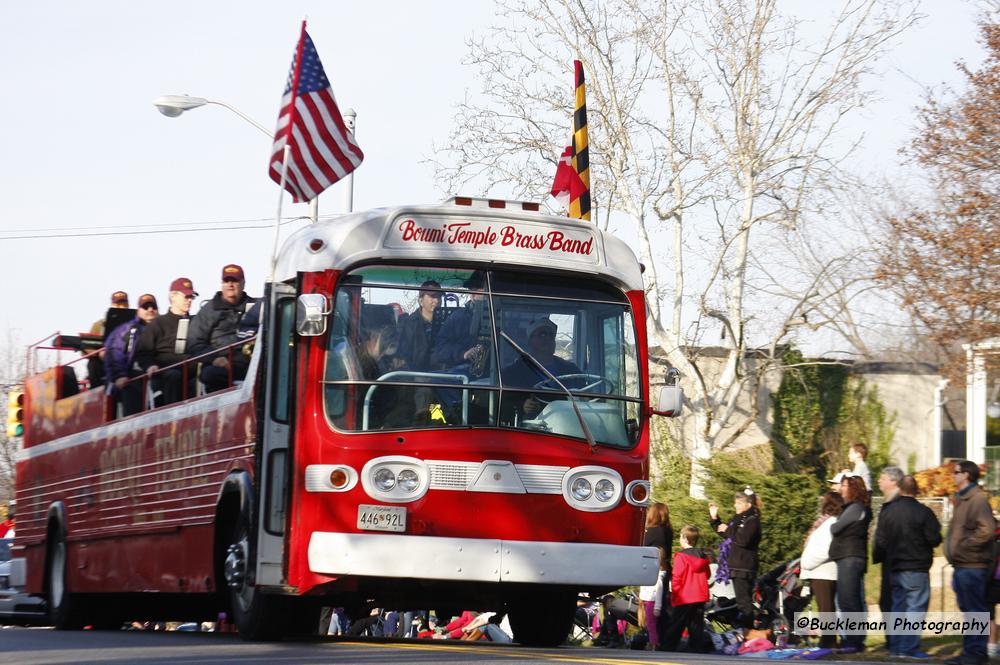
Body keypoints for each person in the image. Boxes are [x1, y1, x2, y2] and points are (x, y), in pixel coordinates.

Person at [874, 474, 941, 659]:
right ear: (916, 491)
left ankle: (895, 647)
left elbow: (880, 540)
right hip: (917, 567)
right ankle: (908, 648)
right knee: (915, 609)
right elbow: (935, 539)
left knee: (898, 608)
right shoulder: (923, 512)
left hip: (895, 567)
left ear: (900, 489)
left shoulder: (888, 511)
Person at [945, 460, 996, 665]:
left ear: (966, 475)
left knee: (975, 610)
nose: (953, 476)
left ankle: (975, 653)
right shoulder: (963, 499)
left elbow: (987, 530)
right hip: (962, 565)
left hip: (972, 565)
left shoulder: (976, 499)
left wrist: (965, 547)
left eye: (956, 472)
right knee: (970, 610)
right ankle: (971, 651)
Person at [187, 264, 256, 393]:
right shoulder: (209, 310)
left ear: (243, 283)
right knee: (211, 375)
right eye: (227, 281)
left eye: (234, 281)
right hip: (220, 364)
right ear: (222, 284)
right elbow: (193, 342)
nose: (230, 285)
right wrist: (214, 358)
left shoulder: (255, 307)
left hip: (251, 363)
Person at [501, 317, 581, 419]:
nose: (547, 339)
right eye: (542, 334)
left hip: (568, 425)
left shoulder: (571, 370)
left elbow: (585, 395)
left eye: (551, 335)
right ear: (530, 341)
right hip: (530, 429)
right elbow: (502, 404)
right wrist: (522, 405)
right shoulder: (511, 373)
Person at [135, 278, 198, 406]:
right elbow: (143, 352)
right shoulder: (157, 324)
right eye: (186, 296)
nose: (189, 300)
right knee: (173, 376)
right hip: (166, 372)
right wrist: (150, 366)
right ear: (173, 297)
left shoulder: (197, 322)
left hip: (194, 369)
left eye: (191, 297)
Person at [830, 474, 871, 653]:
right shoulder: (851, 508)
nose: (841, 488)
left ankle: (854, 641)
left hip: (851, 557)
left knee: (849, 600)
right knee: (848, 599)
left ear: (853, 488)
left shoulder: (855, 508)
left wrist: (834, 524)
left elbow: (836, 528)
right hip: (848, 557)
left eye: (845, 485)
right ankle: (852, 639)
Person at [709, 487, 761, 629]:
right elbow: (728, 535)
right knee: (742, 602)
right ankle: (746, 633)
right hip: (737, 567)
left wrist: (728, 529)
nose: (735, 506)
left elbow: (742, 539)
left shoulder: (752, 520)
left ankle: (748, 634)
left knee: (744, 603)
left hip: (744, 568)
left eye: (739, 503)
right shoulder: (739, 520)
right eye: (735, 503)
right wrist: (715, 519)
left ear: (748, 505)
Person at [800, 490, 844, 649]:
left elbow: (826, 549)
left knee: (826, 609)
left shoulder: (830, 524)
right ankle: (829, 640)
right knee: (827, 608)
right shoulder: (829, 523)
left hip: (823, 572)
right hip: (823, 572)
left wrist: (807, 563)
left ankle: (828, 641)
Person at [105, 294, 159, 416]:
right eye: (145, 307)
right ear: (138, 310)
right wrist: (119, 376)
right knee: (131, 388)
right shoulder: (126, 330)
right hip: (132, 376)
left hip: (157, 373)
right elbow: (114, 353)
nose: (150, 310)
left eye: (153, 306)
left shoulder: (163, 327)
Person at [660, 525, 711, 652]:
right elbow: (708, 575)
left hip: (685, 595)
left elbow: (677, 577)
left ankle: (668, 646)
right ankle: (696, 647)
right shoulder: (703, 556)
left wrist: (675, 594)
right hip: (700, 595)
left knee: (677, 622)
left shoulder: (681, 556)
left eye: (680, 537)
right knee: (696, 623)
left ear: (684, 538)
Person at [431, 273, 490, 376]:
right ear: (472, 294)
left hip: (497, 373)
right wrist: (463, 354)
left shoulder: (505, 316)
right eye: (478, 289)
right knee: (436, 381)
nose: (485, 293)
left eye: (485, 289)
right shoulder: (457, 317)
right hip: (464, 372)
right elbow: (440, 349)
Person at [873, 464, 904, 654]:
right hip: (887, 560)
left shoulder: (897, 503)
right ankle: (891, 639)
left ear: (893, 481)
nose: (879, 481)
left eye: (882, 478)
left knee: (893, 601)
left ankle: (896, 640)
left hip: (895, 559)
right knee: (886, 601)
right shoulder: (888, 503)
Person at [87, 290, 130, 389]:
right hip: (105, 359)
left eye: (123, 304)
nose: (121, 306)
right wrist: (99, 352)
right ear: (112, 305)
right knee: (93, 364)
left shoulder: (135, 322)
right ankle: (97, 392)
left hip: (128, 357)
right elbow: (87, 346)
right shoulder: (99, 325)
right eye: (117, 304)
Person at [397, 280, 444, 372]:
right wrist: (415, 377)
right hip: (415, 378)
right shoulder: (407, 324)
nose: (437, 300)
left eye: (439, 297)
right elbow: (402, 356)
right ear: (421, 301)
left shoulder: (447, 323)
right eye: (432, 296)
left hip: (443, 376)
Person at [639, 547, 668, 650]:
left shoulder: (658, 576)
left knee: (651, 624)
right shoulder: (650, 573)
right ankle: (652, 641)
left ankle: (653, 643)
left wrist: (657, 607)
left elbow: (659, 591)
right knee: (648, 624)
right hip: (646, 600)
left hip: (652, 602)